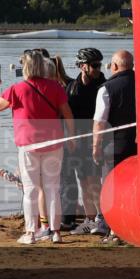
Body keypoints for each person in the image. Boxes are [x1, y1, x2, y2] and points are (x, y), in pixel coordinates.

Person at [0, 50, 75, 244]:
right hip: (54, 143)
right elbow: (68, 114)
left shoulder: (17, 89)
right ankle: (56, 232)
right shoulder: (55, 87)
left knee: (31, 189)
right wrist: (71, 137)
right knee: (52, 188)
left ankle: (31, 233)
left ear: (25, 67)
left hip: (28, 145)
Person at [60, 48, 107, 234]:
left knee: (94, 181)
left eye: (99, 65)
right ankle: (90, 219)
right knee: (83, 181)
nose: (98, 68)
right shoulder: (71, 87)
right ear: (82, 66)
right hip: (76, 142)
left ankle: (102, 219)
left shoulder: (103, 86)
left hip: (96, 141)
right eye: (94, 65)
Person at [92, 50, 136, 240]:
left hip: (114, 148)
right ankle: (130, 228)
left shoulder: (107, 88)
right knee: (132, 187)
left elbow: (99, 122)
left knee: (111, 189)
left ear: (115, 66)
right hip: (139, 146)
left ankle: (114, 230)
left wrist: (96, 147)